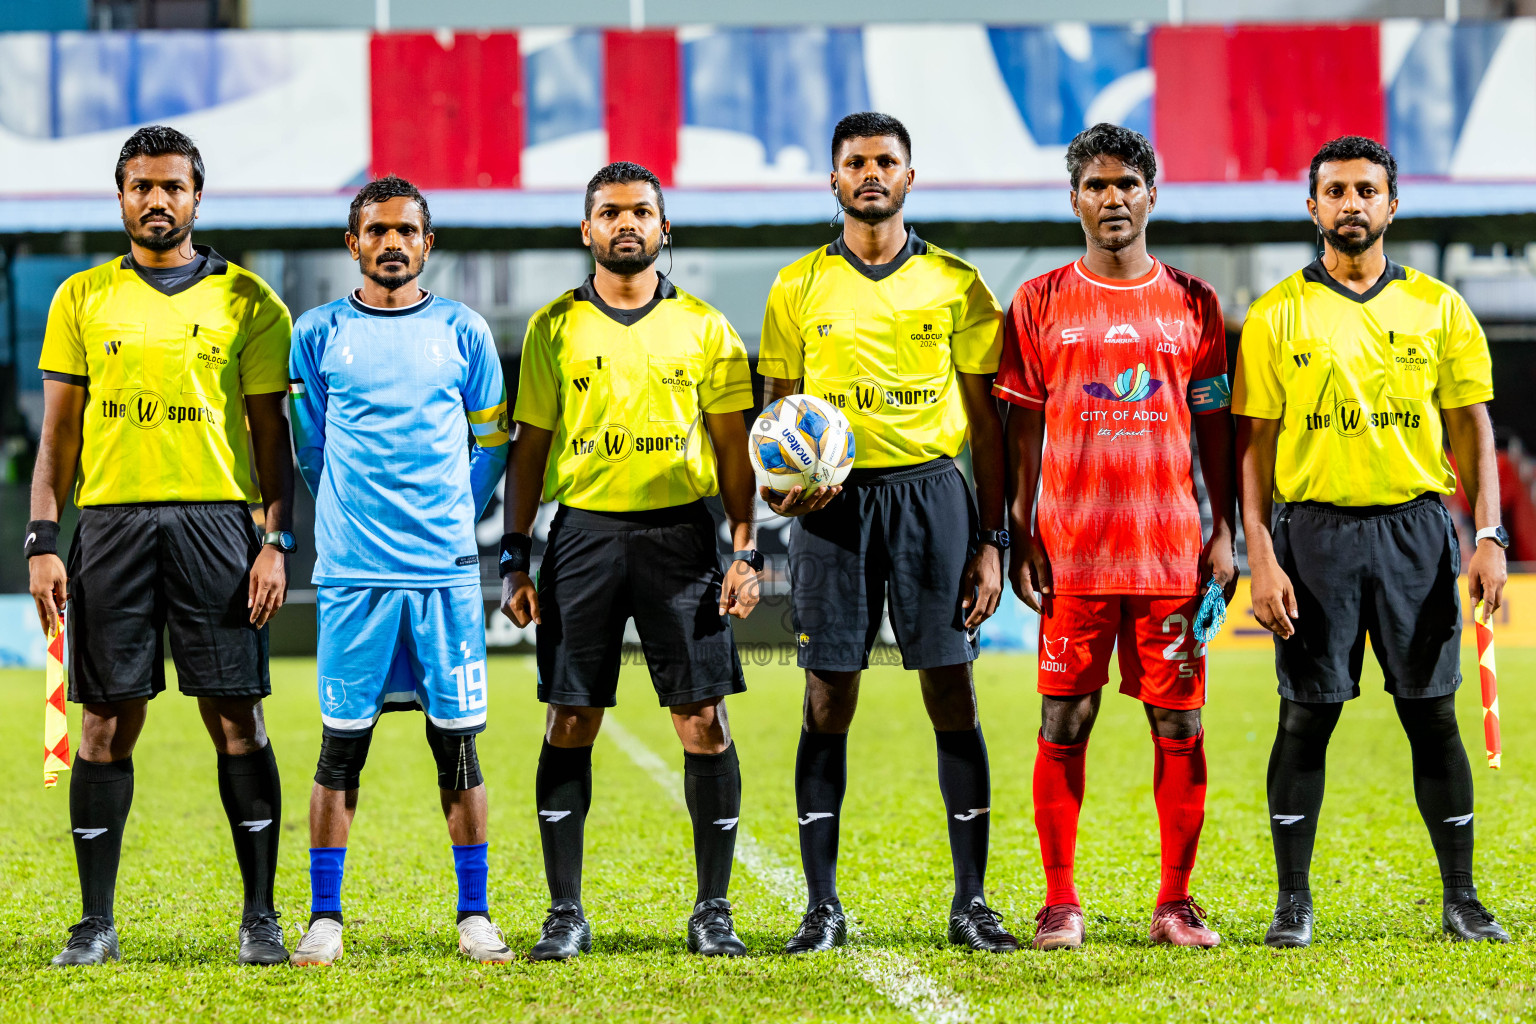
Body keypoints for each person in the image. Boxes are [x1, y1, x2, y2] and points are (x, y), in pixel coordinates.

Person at [28, 125, 294, 966]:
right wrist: (42, 538)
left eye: (172, 187)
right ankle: (95, 923)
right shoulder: (80, 298)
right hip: (109, 526)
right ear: (121, 197)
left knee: (238, 721)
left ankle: (260, 919)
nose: (157, 200)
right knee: (104, 725)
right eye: (141, 186)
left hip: (219, 523)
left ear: (196, 197)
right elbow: (56, 441)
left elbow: (271, 439)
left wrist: (274, 540)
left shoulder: (250, 301)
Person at [1234, 135, 1510, 947]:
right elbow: (1252, 445)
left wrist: (1487, 533)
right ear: (1311, 205)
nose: (1351, 203)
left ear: (1392, 204)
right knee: (1304, 719)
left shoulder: (1438, 306)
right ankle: (1293, 902)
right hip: (1311, 535)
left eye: (1366, 190)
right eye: (1335, 190)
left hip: (1415, 533)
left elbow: (1473, 428)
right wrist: (1260, 552)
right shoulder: (1278, 312)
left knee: (1432, 716)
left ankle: (1461, 897)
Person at [758, 111, 1016, 954]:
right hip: (834, 508)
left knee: (951, 687)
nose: (872, 174)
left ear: (911, 176)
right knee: (828, 694)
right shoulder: (796, 287)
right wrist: (779, 488)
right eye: (856, 163)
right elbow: (775, 417)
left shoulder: (959, 283)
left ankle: (971, 903)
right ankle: (821, 906)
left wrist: (992, 541)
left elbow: (989, 429)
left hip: (932, 497)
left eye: (887, 162)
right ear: (833, 180)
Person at [500, 161, 760, 961]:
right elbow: (530, 451)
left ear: (663, 227)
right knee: (572, 717)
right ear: (587, 229)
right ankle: (564, 912)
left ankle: (712, 911)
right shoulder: (553, 327)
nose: (626, 224)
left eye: (641, 212)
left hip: (682, 538)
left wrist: (744, 549)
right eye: (609, 212)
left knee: (701, 722)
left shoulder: (709, 329)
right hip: (582, 538)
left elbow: (733, 453)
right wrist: (515, 558)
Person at [997, 123, 1236, 952]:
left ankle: (1176, 903)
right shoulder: (1037, 302)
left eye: (1126, 185)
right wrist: (1018, 529)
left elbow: (1215, 434)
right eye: (1096, 186)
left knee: (1178, 725)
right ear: (1074, 200)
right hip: (1073, 549)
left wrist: (1225, 531)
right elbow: (1023, 431)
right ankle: (1060, 903)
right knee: (1064, 719)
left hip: (1170, 550)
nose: (1113, 199)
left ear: (1152, 194)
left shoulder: (1195, 303)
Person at [285, 176, 512, 966]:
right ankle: (324, 918)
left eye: (406, 231)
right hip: (354, 576)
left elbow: (492, 447)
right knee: (340, 747)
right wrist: (354, 519)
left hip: (444, 575)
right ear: (353, 243)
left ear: (427, 243)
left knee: (458, 749)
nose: (392, 243)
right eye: (376, 230)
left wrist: (451, 516)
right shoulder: (316, 333)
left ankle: (475, 914)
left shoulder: (463, 330)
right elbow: (309, 449)